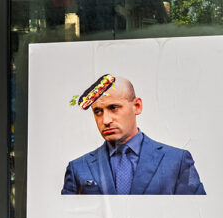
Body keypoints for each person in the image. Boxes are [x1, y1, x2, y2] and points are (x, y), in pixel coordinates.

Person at [61, 76, 204, 195]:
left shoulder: (177, 161)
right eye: (98, 111)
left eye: (113, 107)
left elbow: (196, 213)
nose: (106, 120)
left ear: (137, 106)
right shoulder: (78, 168)